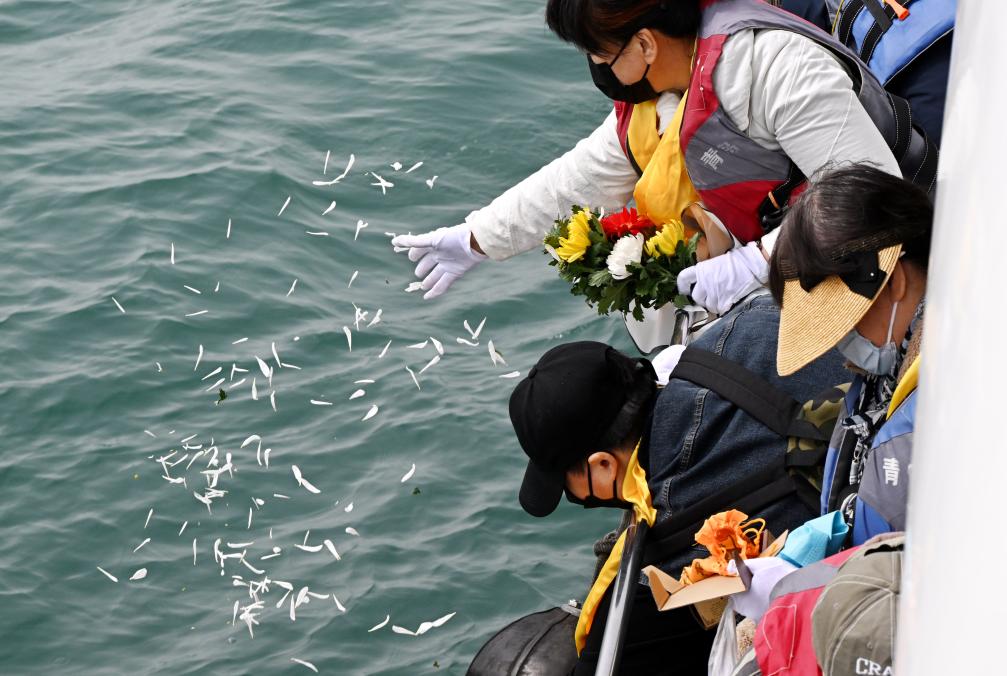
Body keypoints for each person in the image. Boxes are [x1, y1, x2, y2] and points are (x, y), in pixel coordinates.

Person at [393, 0, 935, 321]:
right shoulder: (664, 96)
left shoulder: (774, 66)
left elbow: (872, 195)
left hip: (896, 247)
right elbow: (579, 177)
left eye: (600, 54)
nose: (597, 68)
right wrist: (476, 238)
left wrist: (754, 264)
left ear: (645, 45)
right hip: (807, 256)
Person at [508, 293, 847, 674]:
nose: (574, 495)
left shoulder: (657, 577)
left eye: (567, 484)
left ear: (602, 464)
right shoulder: (742, 322)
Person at [769, 163, 929, 546]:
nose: (843, 347)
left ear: (894, 281)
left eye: (843, 325)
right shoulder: (884, 380)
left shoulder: (942, 404)